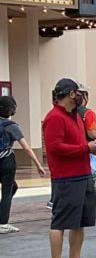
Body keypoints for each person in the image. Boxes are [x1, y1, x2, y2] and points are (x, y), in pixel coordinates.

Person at [42, 78, 96, 258]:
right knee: (60, 222)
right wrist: (86, 148)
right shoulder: (54, 117)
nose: (82, 97)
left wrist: (92, 144)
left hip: (82, 175)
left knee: (80, 221)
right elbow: (55, 148)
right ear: (71, 94)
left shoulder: (76, 116)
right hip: (66, 178)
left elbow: (79, 143)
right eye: (80, 93)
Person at [0, 95, 48, 234]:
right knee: (7, 192)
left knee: (13, 187)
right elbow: (26, 147)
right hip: (6, 162)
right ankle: (3, 223)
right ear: (11, 110)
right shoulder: (11, 126)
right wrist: (38, 164)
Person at [74, 85, 96, 217]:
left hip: (73, 149)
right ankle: (91, 209)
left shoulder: (69, 113)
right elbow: (91, 133)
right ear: (85, 97)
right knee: (91, 179)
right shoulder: (89, 113)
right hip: (86, 148)